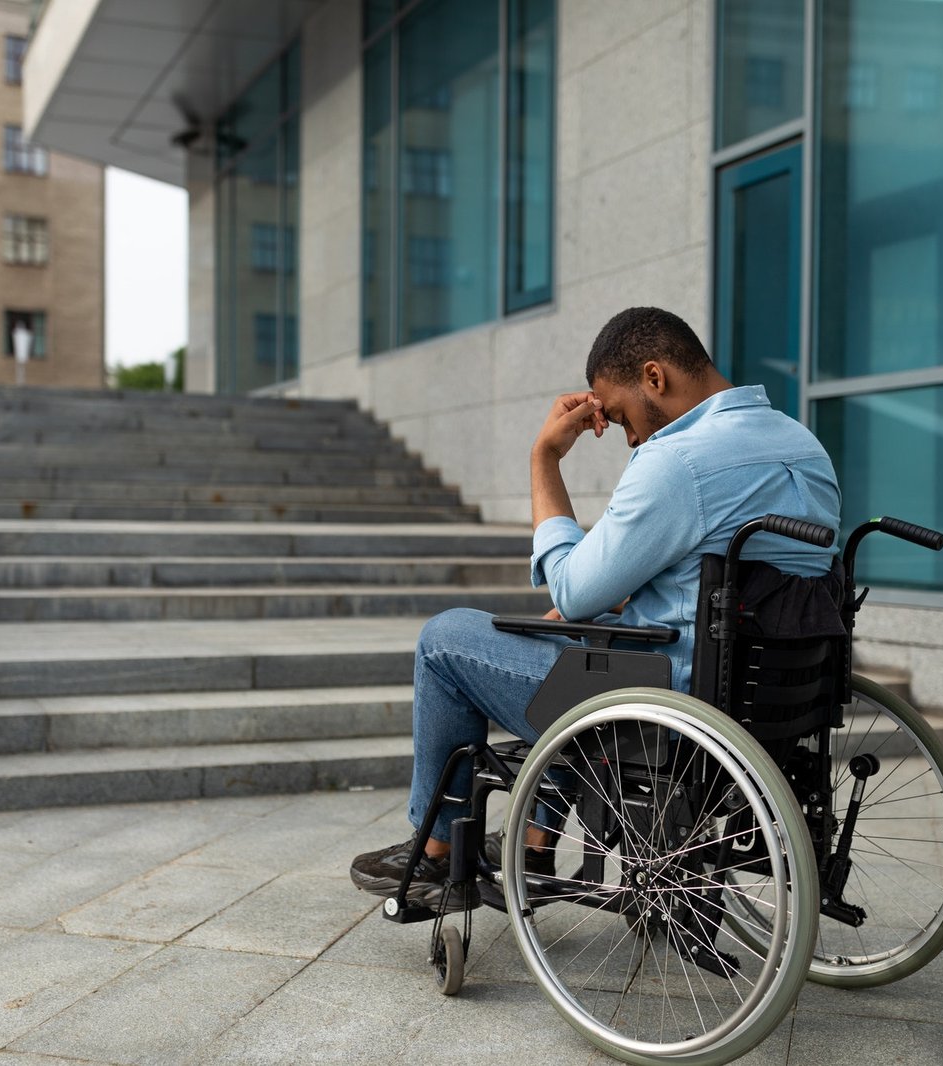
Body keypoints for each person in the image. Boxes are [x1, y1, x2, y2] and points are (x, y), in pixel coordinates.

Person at [349, 306, 841, 909]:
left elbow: (572, 589)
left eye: (622, 416)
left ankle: (438, 853)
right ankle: (531, 843)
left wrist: (544, 460)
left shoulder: (678, 461)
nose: (630, 437)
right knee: (579, 640)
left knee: (446, 638)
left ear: (654, 377)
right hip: (762, 696)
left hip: (664, 710)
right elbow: (736, 578)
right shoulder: (803, 445)